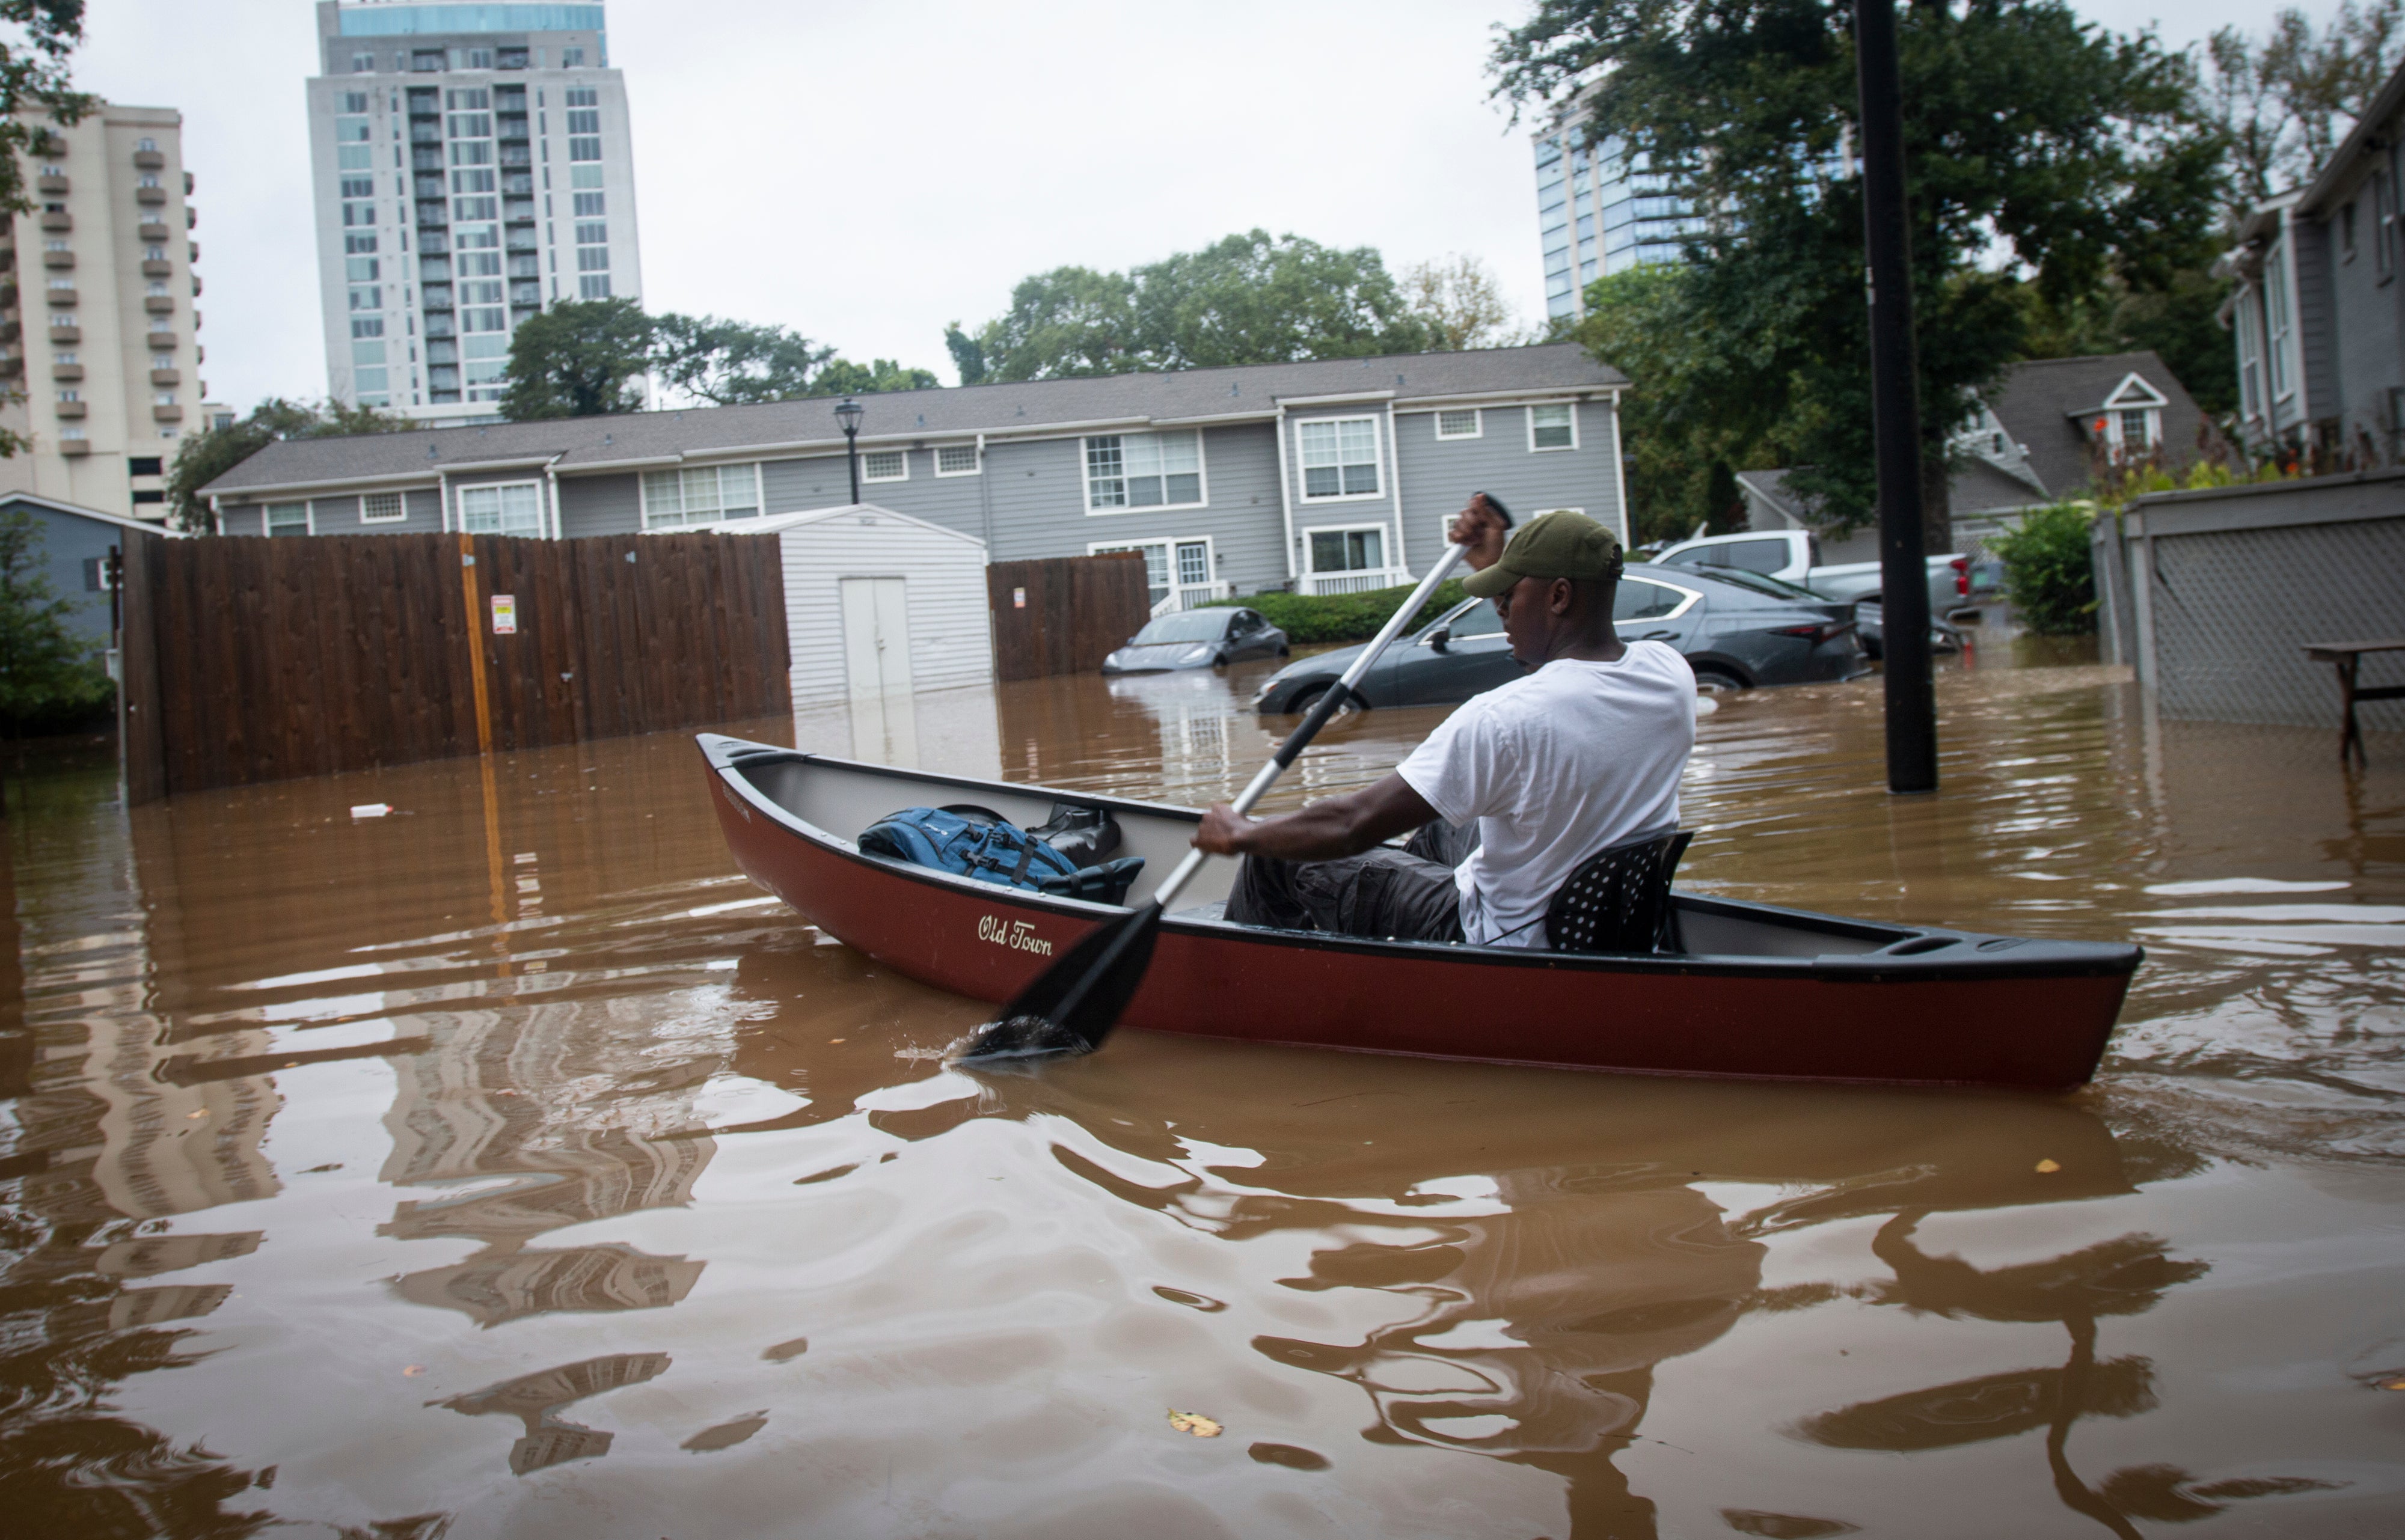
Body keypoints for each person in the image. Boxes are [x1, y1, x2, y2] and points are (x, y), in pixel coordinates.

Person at [1193, 500, 1695, 949]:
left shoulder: (1501, 718)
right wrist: (1501, 568)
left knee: (1277, 852)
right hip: (1599, 920)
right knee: (1441, 815)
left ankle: (1245, 974)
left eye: (1508, 596)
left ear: (1559, 597)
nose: (1499, 612)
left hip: (1502, 935)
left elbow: (1352, 825)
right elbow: (1570, 683)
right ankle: (1378, 928)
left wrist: (1242, 834)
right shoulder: (1668, 672)